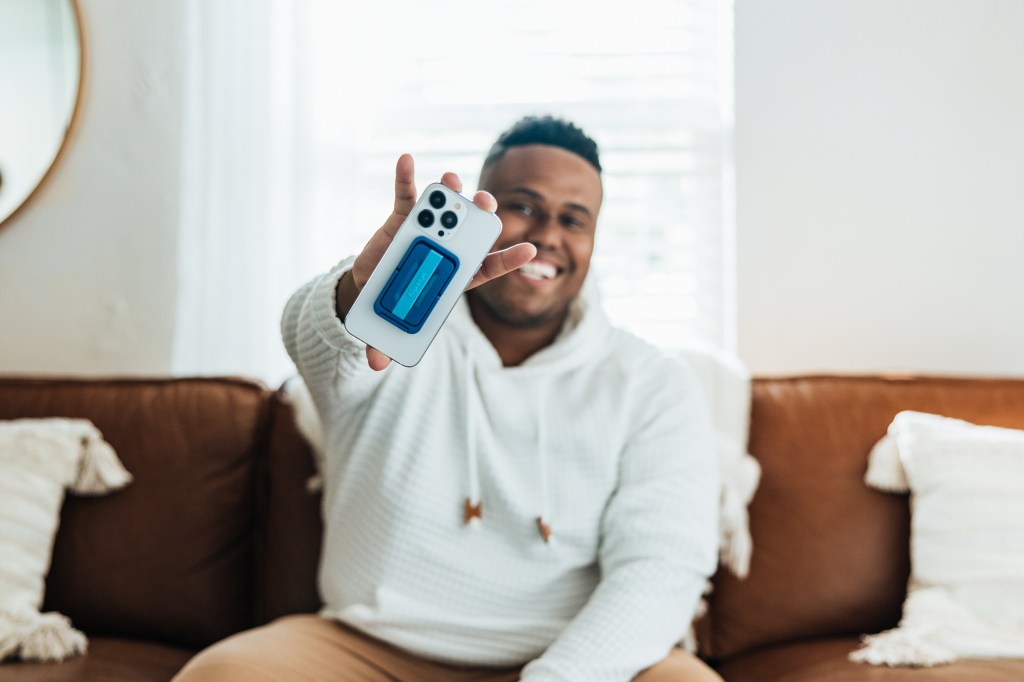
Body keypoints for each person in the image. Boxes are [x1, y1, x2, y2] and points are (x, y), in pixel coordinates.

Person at [175, 116, 721, 681]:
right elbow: (316, 346)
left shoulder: (651, 382)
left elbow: (661, 567)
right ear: (483, 215)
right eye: (524, 206)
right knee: (222, 674)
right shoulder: (397, 332)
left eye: (574, 219)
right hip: (367, 648)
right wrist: (359, 292)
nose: (549, 235)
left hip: (563, 659)